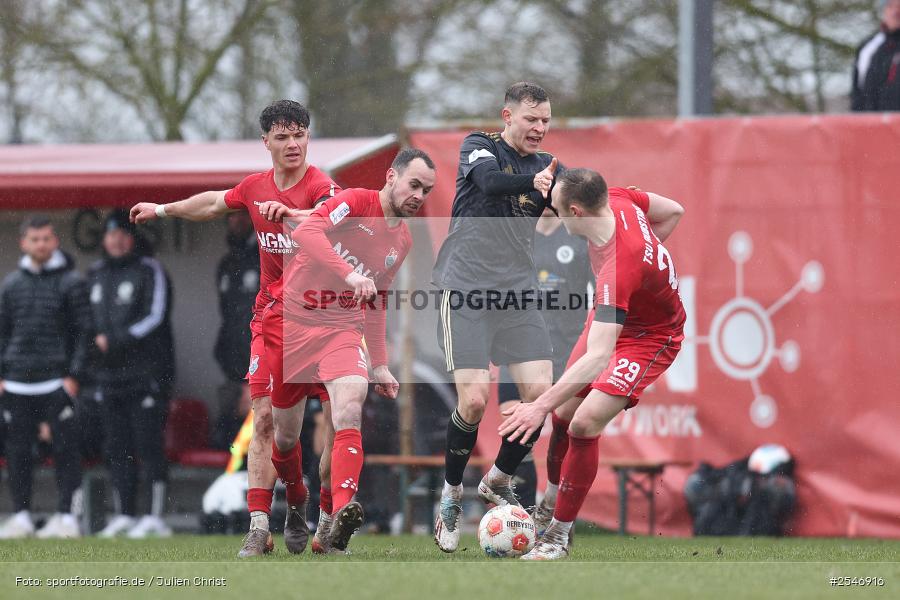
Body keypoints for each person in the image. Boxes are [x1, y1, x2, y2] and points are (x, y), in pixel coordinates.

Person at [130, 99, 341, 557]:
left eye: (300, 134)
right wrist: (163, 209)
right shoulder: (254, 187)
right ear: (265, 141)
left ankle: (315, 508)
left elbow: (328, 216)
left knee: (322, 425)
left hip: (320, 323)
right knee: (264, 423)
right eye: (282, 136)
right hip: (269, 321)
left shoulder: (321, 185)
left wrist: (291, 216)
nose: (293, 144)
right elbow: (212, 203)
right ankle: (260, 523)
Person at [499, 169, 687, 560]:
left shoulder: (620, 268)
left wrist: (536, 405)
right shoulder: (617, 197)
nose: (552, 216)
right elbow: (674, 211)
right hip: (613, 314)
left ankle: (557, 538)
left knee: (584, 423)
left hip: (651, 336)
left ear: (575, 211)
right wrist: (647, 269)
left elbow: (599, 357)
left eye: (556, 210)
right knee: (563, 415)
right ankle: (549, 504)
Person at [265, 148, 436, 554]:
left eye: (426, 190)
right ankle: (295, 499)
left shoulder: (404, 239)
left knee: (349, 408)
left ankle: (338, 515)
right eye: (413, 184)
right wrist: (348, 272)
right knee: (286, 439)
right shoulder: (356, 202)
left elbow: (377, 299)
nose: (418, 195)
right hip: (294, 326)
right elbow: (307, 232)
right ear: (391, 176)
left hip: (342, 330)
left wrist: (379, 364)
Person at [430, 81, 563, 553]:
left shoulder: (550, 169)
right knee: (473, 401)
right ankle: (450, 493)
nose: (540, 128)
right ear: (508, 116)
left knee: (539, 397)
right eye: (531, 119)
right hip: (464, 288)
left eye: (546, 120)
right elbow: (488, 183)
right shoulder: (479, 147)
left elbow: (575, 201)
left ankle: (497, 480)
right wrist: (535, 183)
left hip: (518, 294)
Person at [0, 215, 93, 539]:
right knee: (17, 452)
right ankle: (21, 517)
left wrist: (74, 377)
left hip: (56, 381)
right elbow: (3, 333)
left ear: (55, 242)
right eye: (34, 239)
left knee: (67, 450)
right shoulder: (11, 285)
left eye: (46, 239)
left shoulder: (72, 283)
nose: (40, 244)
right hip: (16, 383)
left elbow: (85, 333)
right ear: (23, 242)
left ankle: (68, 518)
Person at [495, 206, 593, 511]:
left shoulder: (577, 236)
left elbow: (604, 286)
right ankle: (520, 513)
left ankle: (558, 509)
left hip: (566, 346)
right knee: (516, 420)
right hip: (520, 343)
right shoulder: (515, 236)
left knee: (564, 427)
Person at [89, 211, 174, 538]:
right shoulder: (95, 274)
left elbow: (155, 317)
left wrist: (116, 340)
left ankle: (155, 518)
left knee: (148, 445)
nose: (117, 240)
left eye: (123, 233)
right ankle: (124, 514)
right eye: (111, 234)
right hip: (109, 378)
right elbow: (85, 321)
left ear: (133, 237)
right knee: (116, 447)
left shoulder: (150, 270)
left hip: (147, 374)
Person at [851, 0, 900, 111]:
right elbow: (857, 95)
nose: (896, 11)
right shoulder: (867, 48)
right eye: (890, 6)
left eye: (899, 6)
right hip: (874, 125)